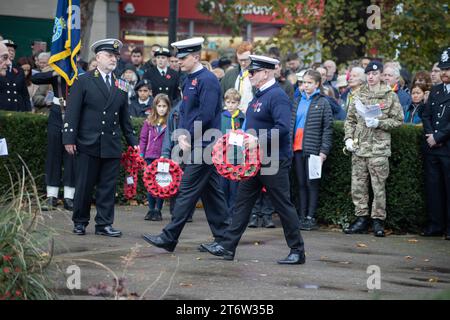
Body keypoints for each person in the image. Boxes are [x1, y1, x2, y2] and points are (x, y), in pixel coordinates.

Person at [202, 55, 306, 264]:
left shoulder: (276, 96)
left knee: (283, 205)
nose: (249, 75)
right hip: (256, 161)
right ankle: (228, 247)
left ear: (265, 73)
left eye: (253, 72)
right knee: (242, 203)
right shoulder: (259, 96)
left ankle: (297, 250)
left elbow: (284, 129)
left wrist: (257, 140)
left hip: (273, 160)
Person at [142, 37, 229, 252]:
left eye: (183, 57)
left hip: (204, 143)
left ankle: (169, 237)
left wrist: (187, 135)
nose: (178, 61)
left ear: (196, 57)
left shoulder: (207, 80)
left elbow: (206, 114)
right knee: (212, 194)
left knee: (187, 190)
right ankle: (225, 241)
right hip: (197, 142)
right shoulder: (189, 79)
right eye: (177, 57)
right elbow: (186, 113)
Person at [62, 38, 138, 237]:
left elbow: (124, 117)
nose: (114, 59)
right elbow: (72, 112)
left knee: (107, 187)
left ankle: (104, 224)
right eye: (109, 55)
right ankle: (80, 222)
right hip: (88, 142)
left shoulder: (121, 84)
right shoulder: (84, 80)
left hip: (111, 144)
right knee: (84, 186)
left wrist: (133, 142)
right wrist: (69, 138)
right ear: (98, 57)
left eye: (116, 56)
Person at [343, 61, 404, 237]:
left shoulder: (389, 95)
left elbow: (398, 120)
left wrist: (380, 123)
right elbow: (350, 120)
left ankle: (378, 221)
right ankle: (361, 219)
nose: (371, 76)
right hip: (360, 147)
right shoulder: (358, 94)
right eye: (368, 73)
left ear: (381, 75)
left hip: (378, 148)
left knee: (378, 187)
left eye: (375, 74)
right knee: (358, 186)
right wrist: (348, 138)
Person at [292, 69, 333, 231]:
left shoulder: (323, 102)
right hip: (297, 147)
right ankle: (301, 216)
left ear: (317, 84)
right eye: (303, 82)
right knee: (300, 183)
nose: (306, 86)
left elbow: (327, 129)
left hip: (314, 149)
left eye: (309, 83)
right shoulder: (297, 101)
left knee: (312, 183)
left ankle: (311, 216)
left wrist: (324, 151)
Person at [421, 47, 450, 240]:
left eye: (448, 68)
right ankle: (435, 224)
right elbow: (426, 114)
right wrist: (430, 134)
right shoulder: (436, 90)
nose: (444, 72)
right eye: (443, 68)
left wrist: (438, 136)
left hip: (447, 148)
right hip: (432, 149)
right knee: (433, 189)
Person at [139, 93, 171, 221]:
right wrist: (141, 153)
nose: (161, 108)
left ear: (168, 107)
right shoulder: (149, 122)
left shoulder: (170, 122)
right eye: (159, 106)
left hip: (163, 157)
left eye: (164, 106)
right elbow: (143, 138)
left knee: (161, 184)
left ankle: (158, 210)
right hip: (149, 156)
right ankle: (151, 209)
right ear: (155, 107)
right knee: (150, 184)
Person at [220, 88, 245, 223]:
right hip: (224, 159)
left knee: (234, 188)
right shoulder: (221, 117)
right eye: (228, 102)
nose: (230, 105)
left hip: (237, 158)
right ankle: (223, 214)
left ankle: (232, 214)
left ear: (238, 103)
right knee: (223, 188)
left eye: (234, 102)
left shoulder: (242, 118)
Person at [220, 41, 254, 113]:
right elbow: (220, 95)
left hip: (251, 116)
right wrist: (225, 108)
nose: (243, 63)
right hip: (232, 116)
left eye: (246, 59)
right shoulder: (229, 74)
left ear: (252, 56)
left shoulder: (259, 74)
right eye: (240, 60)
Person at [0, 39, 31, 112]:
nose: (11, 53)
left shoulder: (19, 70)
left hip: (17, 109)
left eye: (13, 51)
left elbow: (25, 94)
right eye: (8, 50)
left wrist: (28, 110)